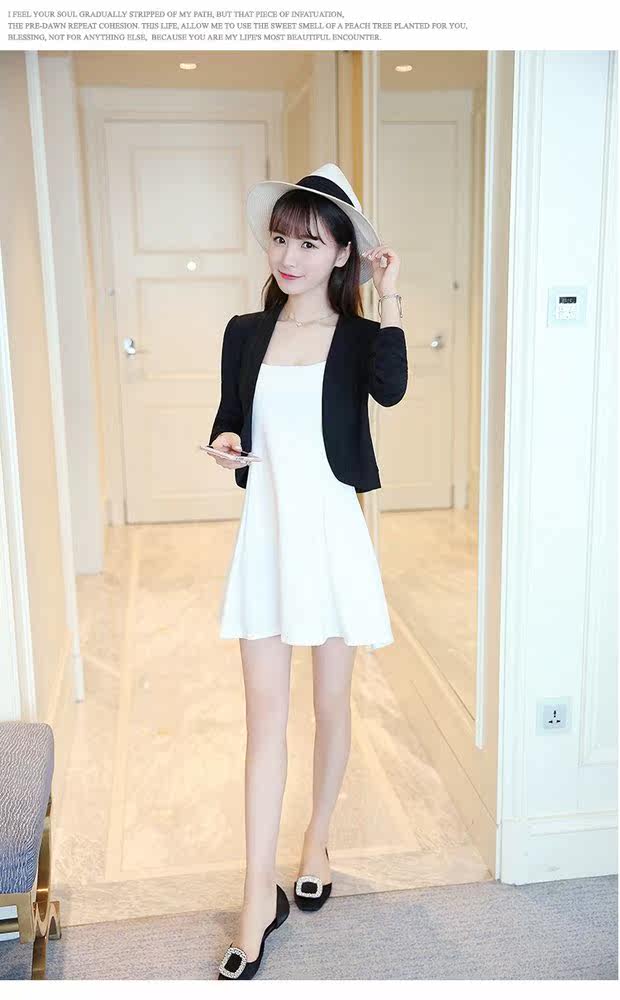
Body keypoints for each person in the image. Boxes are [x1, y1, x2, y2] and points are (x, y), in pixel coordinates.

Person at [209, 163, 408, 980]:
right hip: (266, 538)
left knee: (330, 706)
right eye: (280, 239)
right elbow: (230, 420)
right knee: (264, 725)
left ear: (341, 255)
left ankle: (317, 839)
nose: (288, 257)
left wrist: (391, 297)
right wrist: (227, 444)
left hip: (330, 539)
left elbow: (391, 391)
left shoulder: (358, 340)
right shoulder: (244, 333)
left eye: (309, 243)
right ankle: (257, 897)